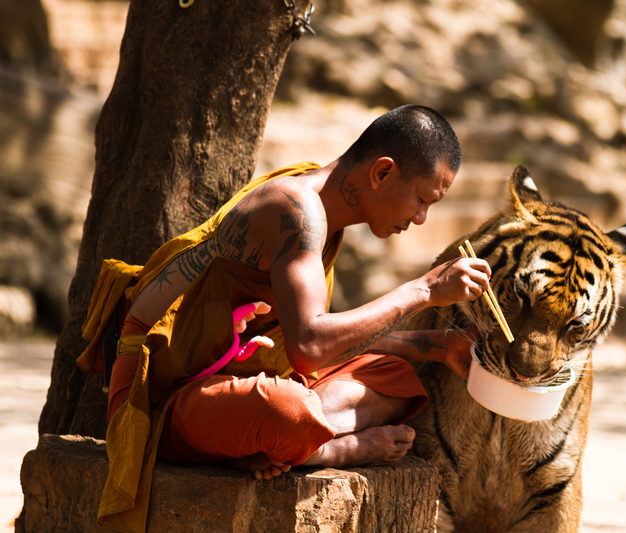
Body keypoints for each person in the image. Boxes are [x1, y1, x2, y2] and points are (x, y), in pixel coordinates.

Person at [78, 105, 491, 532]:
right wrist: (422, 290)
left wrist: (438, 346)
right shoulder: (296, 209)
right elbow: (310, 348)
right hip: (162, 393)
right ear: (381, 173)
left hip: (243, 372)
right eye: (422, 199)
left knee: (397, 378)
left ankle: (278, 442)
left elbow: (318, 334)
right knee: (286, 412)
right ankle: (330, 449)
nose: (421, 218)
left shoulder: (327, 211)